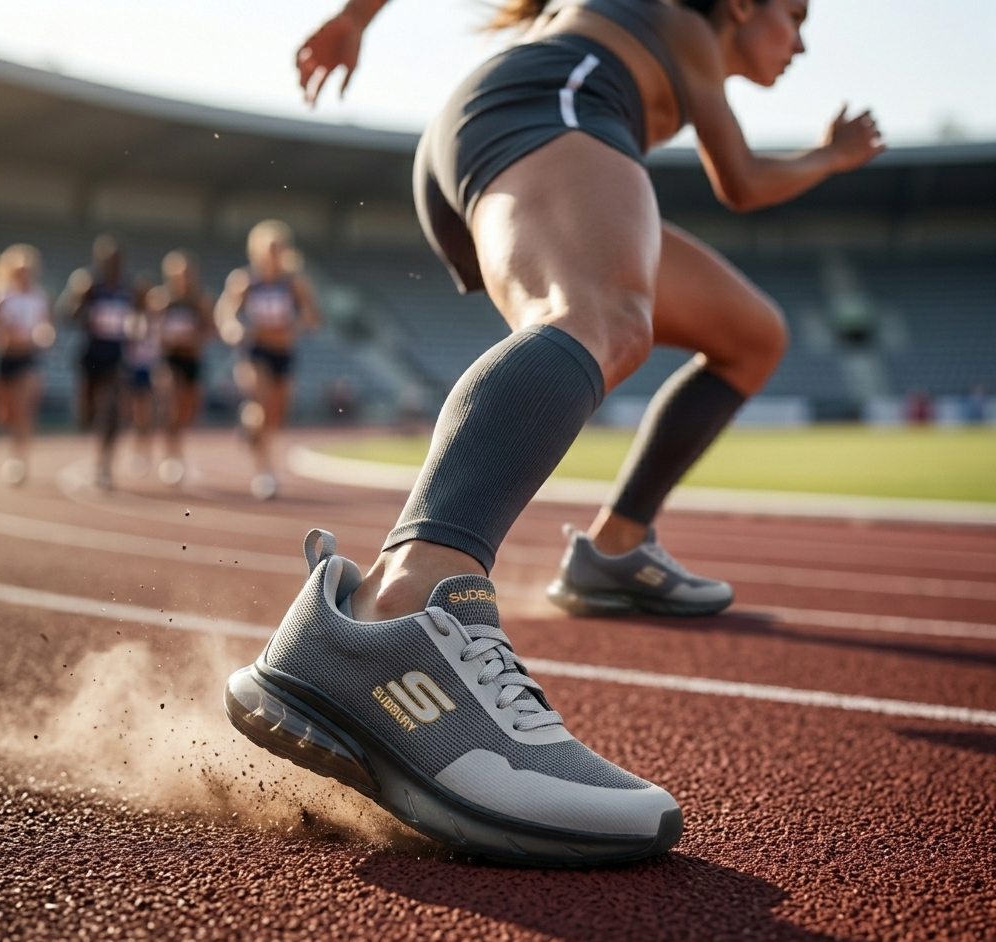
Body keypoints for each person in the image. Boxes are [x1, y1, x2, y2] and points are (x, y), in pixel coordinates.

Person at [225, 0, 883, 864]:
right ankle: (400, 605)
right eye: (794, 16)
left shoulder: (672, 48)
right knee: (600, 316)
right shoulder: (678, 21)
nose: (800, 41)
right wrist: (356, 16)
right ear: (742, 5)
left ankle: (616, 547)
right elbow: (743, 183)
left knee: (751, 335)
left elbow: (744, 182)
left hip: (526, 119)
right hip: (538, 112)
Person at [215, 220, 321, 499]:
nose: (274, 254)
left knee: (275, 416)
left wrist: (302, 324)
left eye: (279, 248)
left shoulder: (294, 283)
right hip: (255, 353)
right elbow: (226, 309)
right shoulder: (246, 281)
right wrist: (232, 327)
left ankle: (248, 422)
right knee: (260, 403)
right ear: (258, 250)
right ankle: (265, 472)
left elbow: (312, 317)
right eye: (270, 248)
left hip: (283, 354)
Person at [58, 234, 134, 490]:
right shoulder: (89, 284)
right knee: (88, 415)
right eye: (106, 259)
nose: (112, 263)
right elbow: (67, 315)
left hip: (116, 360)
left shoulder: (127, 290)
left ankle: (105, 464)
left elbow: (137, 322)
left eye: (116, 259)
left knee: (113, 412)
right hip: (90, 358)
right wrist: (78, 298)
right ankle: (86, 417)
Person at [0, 244, 55, 485]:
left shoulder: (39, 296)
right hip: (2, 359)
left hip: (27, 359)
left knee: (23, 411)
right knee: (4, 416)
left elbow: (45, 326)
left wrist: (44, 335)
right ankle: (8, 429)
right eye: (20, 270)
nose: (25, 274)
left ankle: (19, 460)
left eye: (29, 270)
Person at [150, 250, 214, 486]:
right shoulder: (161, 300)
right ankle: (172, 456)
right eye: (178, 274)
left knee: (187, 411)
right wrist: (169, 338)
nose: (183, 279)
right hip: (169, 360)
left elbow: (211, 330)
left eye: (187, 274)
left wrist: (195, 339)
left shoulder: (200, 301)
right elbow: (152, 332)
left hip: (193, 361)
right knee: (170, 406)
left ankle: (177, 445)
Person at [123, 273, 161, 478]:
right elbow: (131, 342)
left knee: (151, 415)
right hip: (136, 368)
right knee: (138, 415)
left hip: (153, 368)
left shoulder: (159, 319)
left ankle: (147, 452)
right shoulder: (134, 318)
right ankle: (139, 452)